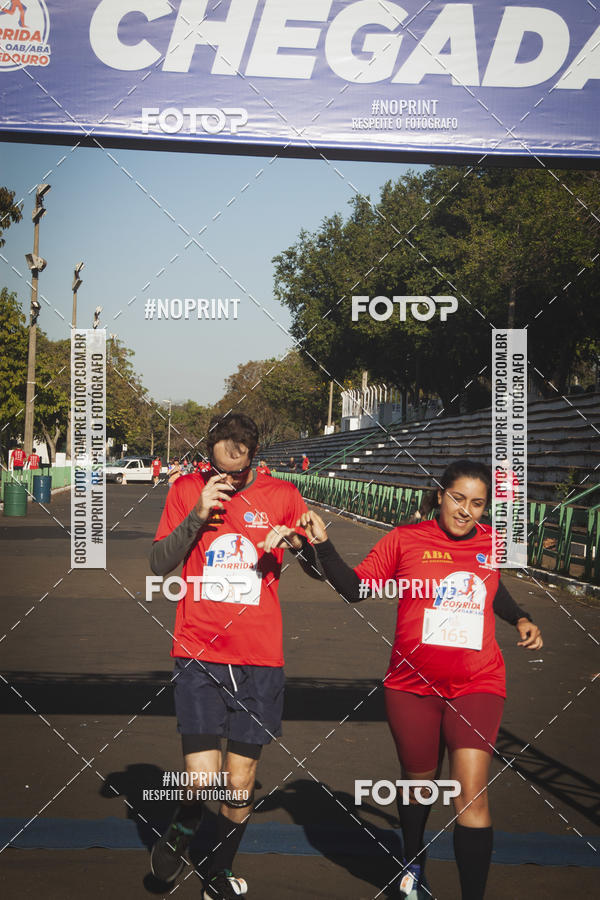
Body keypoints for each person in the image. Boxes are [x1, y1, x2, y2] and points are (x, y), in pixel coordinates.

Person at [300, 459, 543, 900]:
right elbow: (356, 588)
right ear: (439, 495)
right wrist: (324, 545)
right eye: (458, 498)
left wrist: (521, 617)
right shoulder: (404, 540)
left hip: (477, 683)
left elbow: (493, 588)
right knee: (419, 784)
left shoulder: (493, 542)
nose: (467, 510)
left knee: (471, 793)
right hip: (412, 687)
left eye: (478, 503)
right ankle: (412, 860)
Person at [149, 413, 321, 898]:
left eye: (238, 470)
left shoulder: (283, 497)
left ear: (252, 455)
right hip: (199, 650)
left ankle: (219, 872)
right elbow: (159, 562)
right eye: (219, 467)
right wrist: (197, 515)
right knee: (203, 782)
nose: (229, 477)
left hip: (259, 658)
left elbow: (316, 569)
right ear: (209, 456)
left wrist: (296, 544)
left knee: (240, 781)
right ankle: (184, 820)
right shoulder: (187, 488)